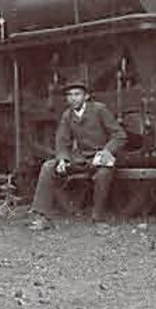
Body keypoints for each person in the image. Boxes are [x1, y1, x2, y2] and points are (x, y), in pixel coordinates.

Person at [29, 81, 128, 229]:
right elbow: (62, 141)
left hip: (102, 158)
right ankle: (42, 217)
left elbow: (119, 136)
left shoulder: (99, 110)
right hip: (81, 159)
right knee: (48, 167)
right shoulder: (67, 115)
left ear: (86, 96)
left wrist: (106, 151)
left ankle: (98, 218)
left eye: (77, 94)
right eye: (69, 95)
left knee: (103, 175)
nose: (73, 98)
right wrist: (62, 159)